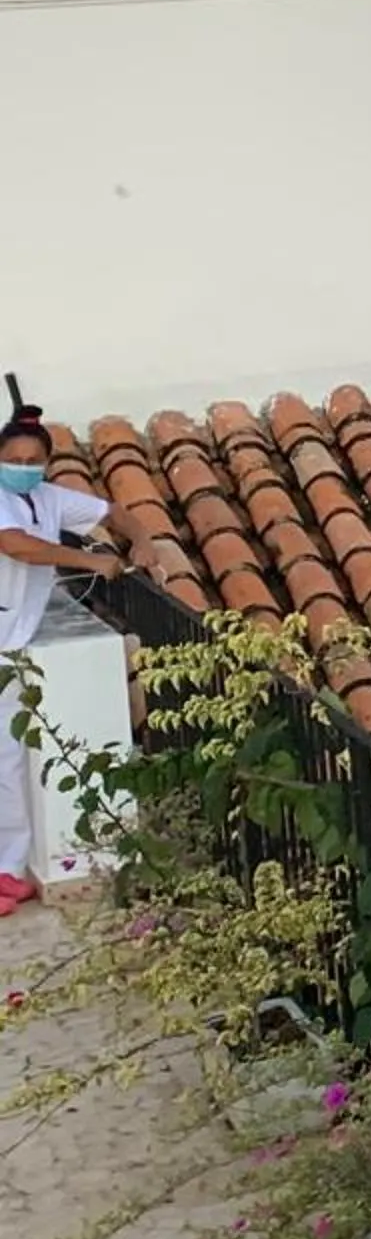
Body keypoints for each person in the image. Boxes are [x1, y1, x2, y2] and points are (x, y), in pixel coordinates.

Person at [0, 375, 122, 914]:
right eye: (14, 459)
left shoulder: (49, 498)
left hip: (11, 646)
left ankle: (8, 872)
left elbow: (109, 512)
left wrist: (144, 541)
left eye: (33, 459)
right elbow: (18, 547)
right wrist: (89, 560)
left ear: (46, 463)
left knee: (7, 763)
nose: (23, 466)